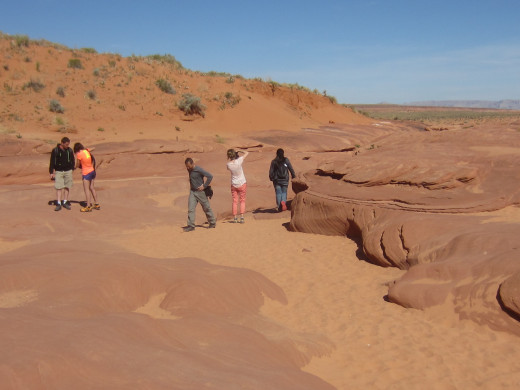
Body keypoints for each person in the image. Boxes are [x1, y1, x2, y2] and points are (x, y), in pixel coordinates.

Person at [184, 157, 217, 232]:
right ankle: (191, 225)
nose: (187, 167)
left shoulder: (199, 169)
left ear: (192, 163)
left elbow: (210, 176)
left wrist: (204, 186)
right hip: (192, 192)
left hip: (200, 192)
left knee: (206, 208)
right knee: (190, 209)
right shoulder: (189, 169)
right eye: (186, 166)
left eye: (189, 166)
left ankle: (212, 223)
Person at [49, 137, 75, 211]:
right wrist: (51, 172)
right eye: (66, 144)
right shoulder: (55, 150)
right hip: (59, 171)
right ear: (62, 143)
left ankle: (65, 201)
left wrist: (72, 168)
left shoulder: (69, 150)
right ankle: (58, 203)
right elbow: (52, 162)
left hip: (68, 171)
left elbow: (72, 160)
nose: (67, 145)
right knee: (59, 187)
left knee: (67, 186)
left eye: (68, 144)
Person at [74, 143, 100, 212]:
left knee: (86, 190)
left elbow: (77, 164)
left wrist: (75, 167)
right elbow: (93, 148)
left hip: (86, 173)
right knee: (92, 188)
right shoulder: (86, 151)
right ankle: (97, 203)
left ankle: (88, 206)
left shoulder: (79, 154)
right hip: (92, 171)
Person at [226, 149, 249, 223]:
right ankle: (242, 217)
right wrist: (239, 150)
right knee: (242, 200)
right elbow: (247, 153)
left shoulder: (228, 164)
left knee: (235, 201)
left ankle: (235, 217)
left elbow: (228, 168)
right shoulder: (239, 161)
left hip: (234, 184)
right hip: (242, 183)